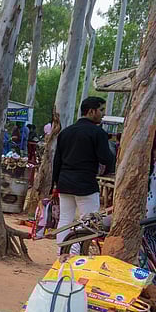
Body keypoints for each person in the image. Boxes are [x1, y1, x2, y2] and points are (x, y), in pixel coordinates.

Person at [52, 96, 116, 247]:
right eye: (101, 110)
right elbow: (105, 158)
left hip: (64, 183)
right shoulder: (98, 133)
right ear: (91, 111)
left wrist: (54, 185)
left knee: (65, 219)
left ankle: (62, 253)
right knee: (88, 222)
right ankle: (77, 255)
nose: (102, 114)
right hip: (85, 184)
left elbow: (57, 161)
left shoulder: (66, 132)